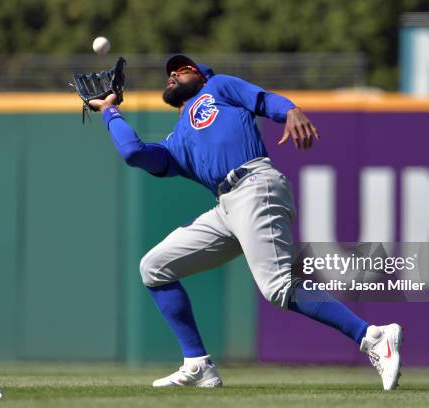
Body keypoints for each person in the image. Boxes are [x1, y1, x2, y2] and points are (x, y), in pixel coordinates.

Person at [89, 54, 403, 390]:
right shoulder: (177, 141)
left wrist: (290, 110)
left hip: (255, 184)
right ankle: (198, 365)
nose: (173, 75)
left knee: (279, 287)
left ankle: (372, 336)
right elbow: (134, 153)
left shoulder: (218, 87)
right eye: (169, 73)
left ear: (200, 76)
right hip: (226, 207)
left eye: (182, 70)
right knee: (154, 267)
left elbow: (264, 100)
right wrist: (110, 110)